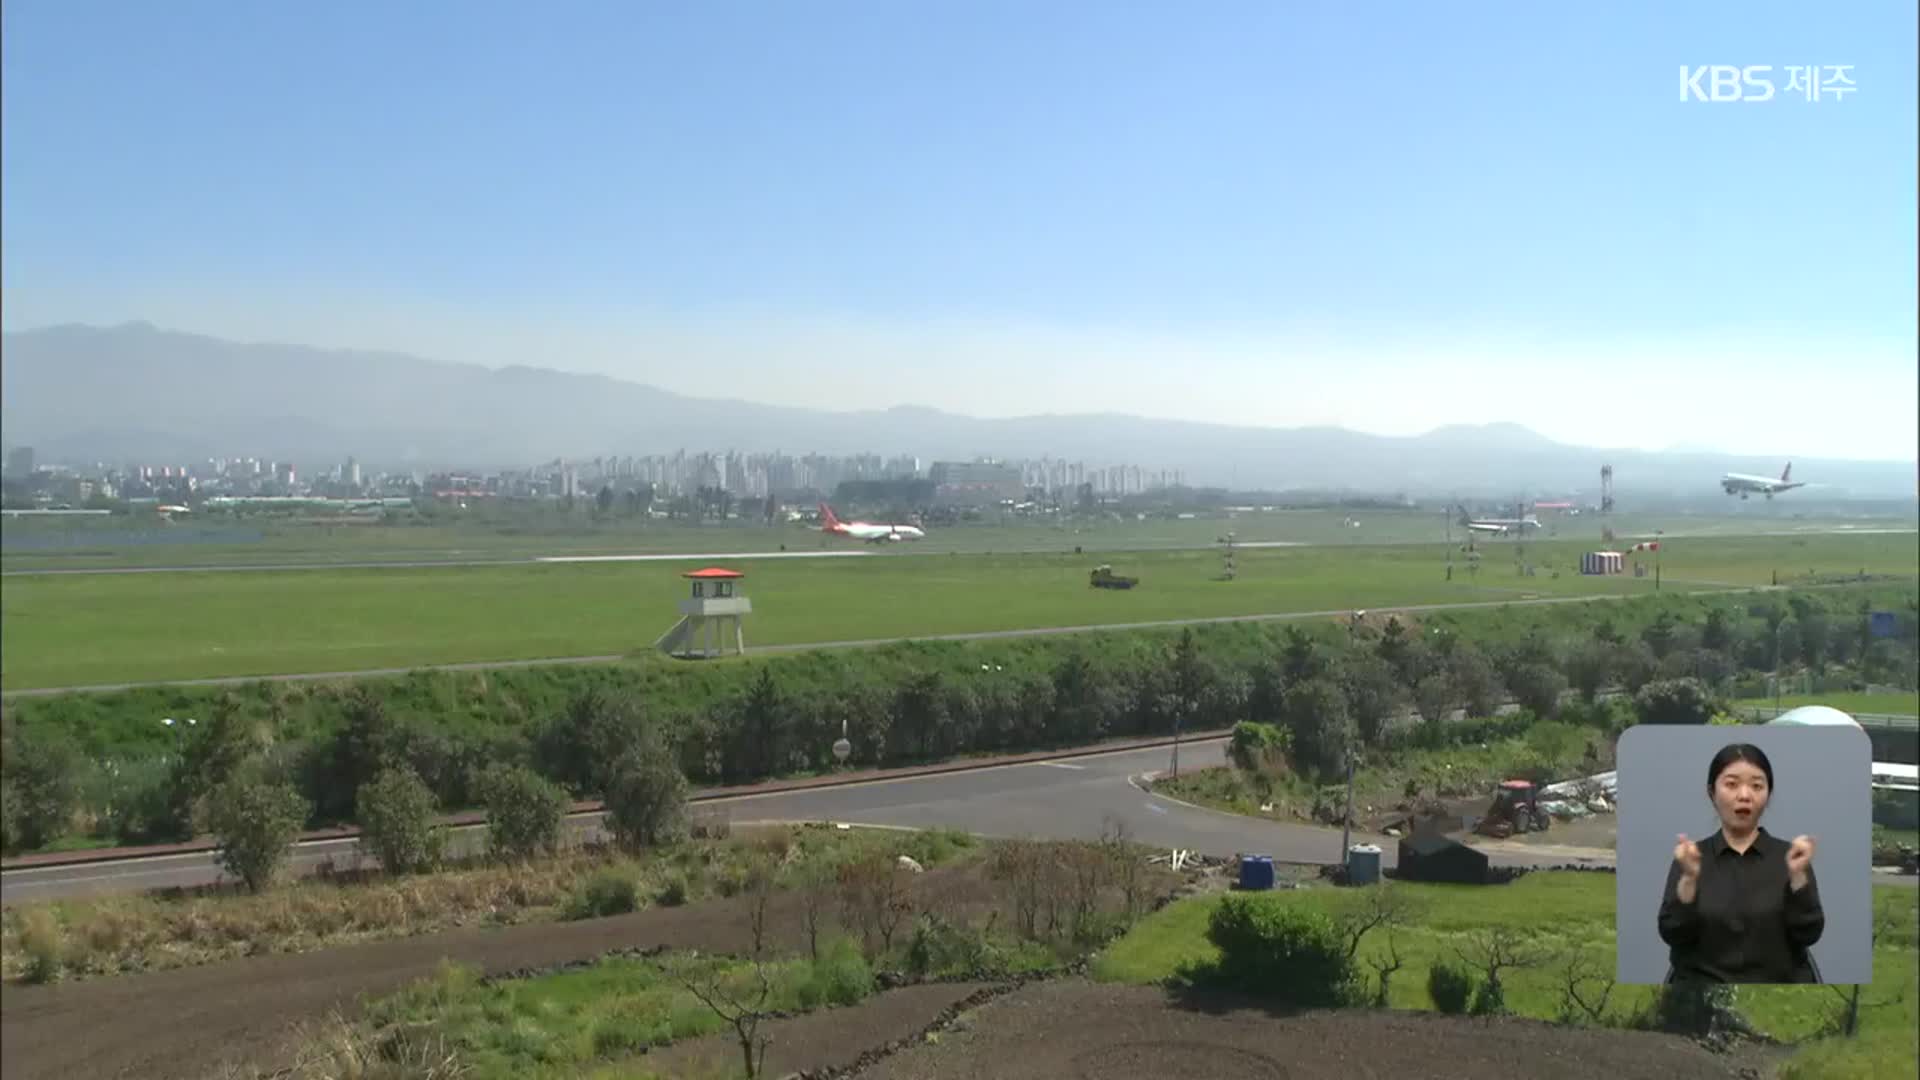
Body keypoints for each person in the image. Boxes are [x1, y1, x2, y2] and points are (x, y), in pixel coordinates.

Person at [1657, 743, 1824, 984]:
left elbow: (1809, 933)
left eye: (1757, 786)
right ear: (1712, 792)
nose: (1744, 795)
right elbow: (1673, 933)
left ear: (1768, 794)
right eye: (1731, 784)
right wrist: (1689, 881)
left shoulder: (1791, 858)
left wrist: (1798, 878)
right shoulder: (1691, 858)